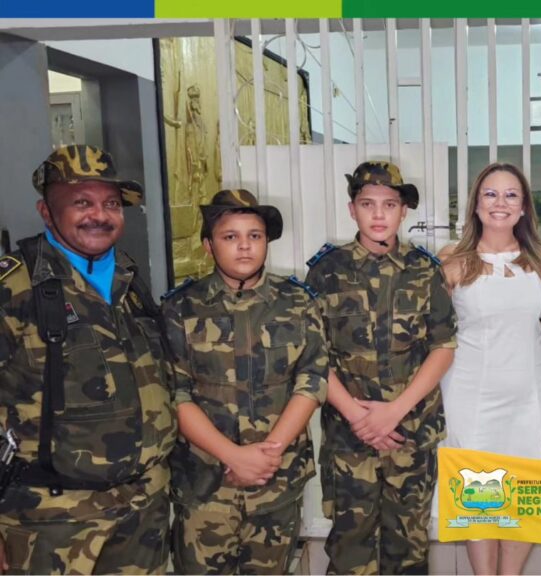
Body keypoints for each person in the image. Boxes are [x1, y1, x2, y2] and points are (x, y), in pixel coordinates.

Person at [0, 145, 175, 573]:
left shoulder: (129, 280)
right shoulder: (14, 287)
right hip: (53, 523)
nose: (99, 215)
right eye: (81, 203)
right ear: (46, 212)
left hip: (142, 514)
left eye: (111, 204)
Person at [161, 189, 328, 574]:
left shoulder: (297, 302)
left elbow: (312, 379)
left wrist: (267, 456)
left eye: (254, 235)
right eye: (230, 236)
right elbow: (174, 393)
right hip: (205, 483)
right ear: (208, 245)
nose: (244, 246)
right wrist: (233, 456)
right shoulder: (180, 307)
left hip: (276, 481)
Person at [305, 161, 457, 575]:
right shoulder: (326, 271)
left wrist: (395, 411)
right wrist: (359, 418)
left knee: (408, 547)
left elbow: (443, 347)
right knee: (350, 547)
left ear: (403, 212)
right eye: (367, 203)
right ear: (351, 209)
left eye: (389, 204)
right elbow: (313, 355)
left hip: (411, 431)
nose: (378, 214)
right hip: (349, 437)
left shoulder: (424, 270)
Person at [436, 163, 541, 575]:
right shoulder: (452, 261)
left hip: (532, 392)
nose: (499, 203)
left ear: (524, 207)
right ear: (475, 204)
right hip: (471, 393)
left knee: (525, 492)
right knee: (479, 494)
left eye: (510, 195)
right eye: (490, 194)